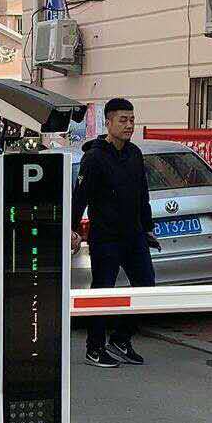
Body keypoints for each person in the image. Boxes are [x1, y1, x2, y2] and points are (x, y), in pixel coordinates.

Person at [72, 97, 159, 368]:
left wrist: (147, 228)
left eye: (132, 120)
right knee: (102, 293)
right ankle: (94, 348)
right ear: (108, 123)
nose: (129, 125)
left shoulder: (134, 154)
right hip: (106, 237)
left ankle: (121, 339)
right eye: (123, 120)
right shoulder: (94, 157)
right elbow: (80, 196)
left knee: (146, 287)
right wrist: (72, 229)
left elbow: (142, 195)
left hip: (134, 236)